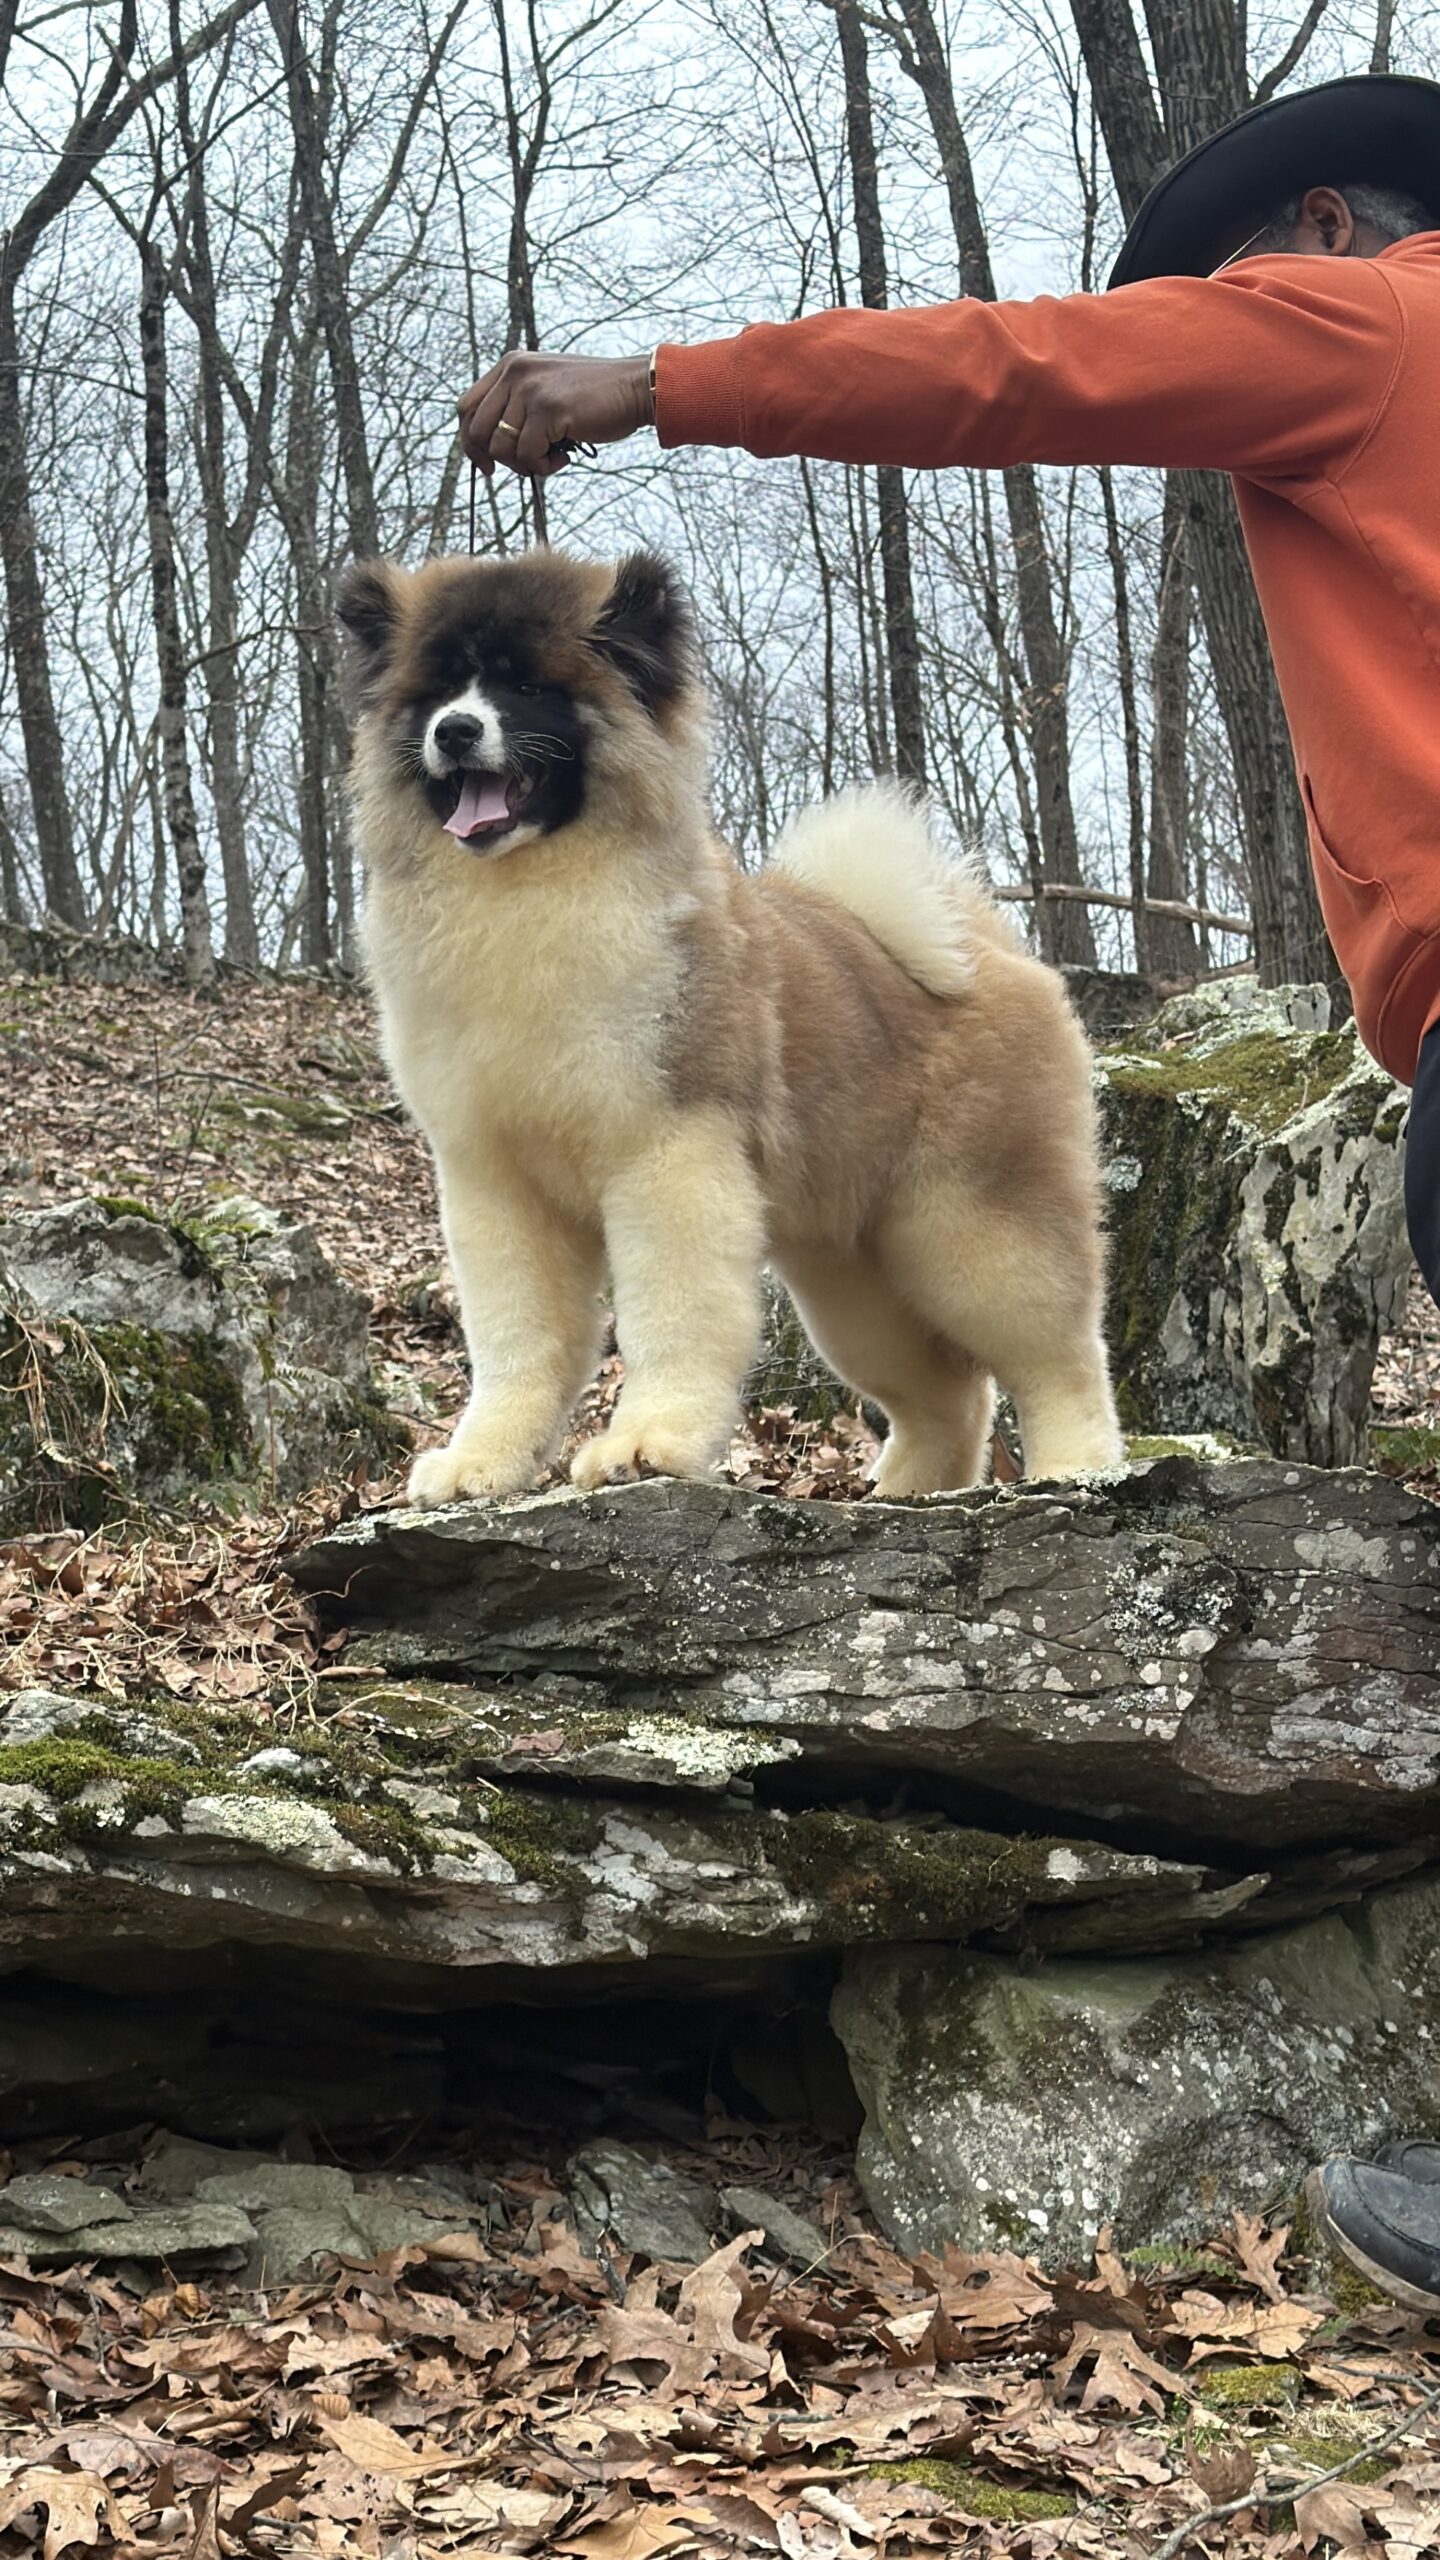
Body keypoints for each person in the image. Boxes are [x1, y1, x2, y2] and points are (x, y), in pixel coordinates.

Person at [457, 70, 1440, 2311]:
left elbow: (1019, 370)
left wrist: (655, 385)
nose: (1214, 359)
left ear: (1312, 225)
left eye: (1222, 298)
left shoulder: (1369, 316)